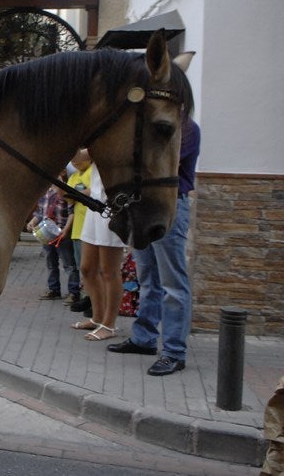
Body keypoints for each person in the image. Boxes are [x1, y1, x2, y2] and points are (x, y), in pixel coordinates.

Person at [108, 118, 201, 376]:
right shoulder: (148, 128)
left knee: (173, 283)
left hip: (169, 205)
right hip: (142, 207)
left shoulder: (188, 130)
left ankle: (173, 351)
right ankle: (144, 338)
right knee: (148, 278)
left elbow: (155, 164)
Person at [71, 149, 126, 342]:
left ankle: (109, 325)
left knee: (109, 271)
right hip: (94, 207)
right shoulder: (96, 144)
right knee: (87, 268)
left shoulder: (111, 142)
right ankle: (97, 317)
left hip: (112, 207)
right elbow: (77, 156)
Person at [27, 175, 79, 303]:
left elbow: (72, 212)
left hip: (61, 233)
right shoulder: (45, 192)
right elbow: (40, 213)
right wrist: (32, 222)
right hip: (47, 233)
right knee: (50, 262)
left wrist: (66, 230)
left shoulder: (65, 191)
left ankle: (74, 291)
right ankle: (53, 289)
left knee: (69, 264)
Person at [67, 149, 93, 312]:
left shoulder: (92, 172)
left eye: (78, 161)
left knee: (93, 268)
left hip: (90, 226)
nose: (75, 164)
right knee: (82, 267)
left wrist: (76, 194)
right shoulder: (74, 176)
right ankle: (87, 296)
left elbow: (92, 192)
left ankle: (94, 300)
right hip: (78, 229)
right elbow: (68, 196)